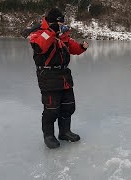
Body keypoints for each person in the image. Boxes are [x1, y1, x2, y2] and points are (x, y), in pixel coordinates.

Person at [29, 8, 89, 149]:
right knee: (51, 110)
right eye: (60, 23)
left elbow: (74, 48)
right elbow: (39, 47)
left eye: (63, 23)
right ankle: (49, 136)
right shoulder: (38, 33)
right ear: (52, 22)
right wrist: (52, 31)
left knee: (69, 106)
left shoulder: (64, 35)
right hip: (48, 77)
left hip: (64, 76)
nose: (63, 26)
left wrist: (82, 47)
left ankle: (65, 132)